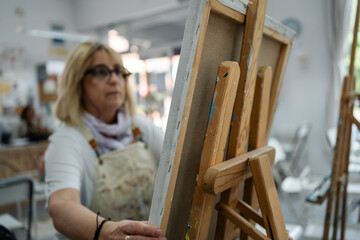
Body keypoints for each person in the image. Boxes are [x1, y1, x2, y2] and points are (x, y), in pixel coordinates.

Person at [45, 41, 165, 240]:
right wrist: (109, 233)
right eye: (101, 72)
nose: (114, 80)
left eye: (119, 71)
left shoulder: (141, 127)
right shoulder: (67, 140)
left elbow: (179, 167)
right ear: (77, 82)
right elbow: (61, 206)